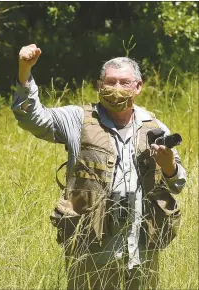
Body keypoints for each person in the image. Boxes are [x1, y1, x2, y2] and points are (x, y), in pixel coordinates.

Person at [11, 44, 187, 290]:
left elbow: (178, 183)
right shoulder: (78, 119)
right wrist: (24, 71)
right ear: (98, 85)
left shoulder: (154, 127)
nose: (116, 89)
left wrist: (169, 166)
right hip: (91, 246)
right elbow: (31, 118)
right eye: (110, 82)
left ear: (138, 87)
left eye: (124, 83)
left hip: (142, 245)